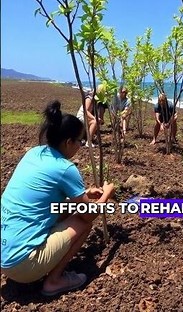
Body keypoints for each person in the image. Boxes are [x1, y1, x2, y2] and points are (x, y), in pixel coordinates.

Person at [1, 100, 115, 296]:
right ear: (68, 142)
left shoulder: (34, 153)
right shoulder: (65, 168)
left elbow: (47, 202)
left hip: (5, 258)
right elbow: (88, 215)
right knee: (82, 223)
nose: (81, 145)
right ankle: (53, 281)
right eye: (80, 140)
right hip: (22, 266)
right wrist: (107, 194)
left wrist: (84, 194)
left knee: (62, 211)